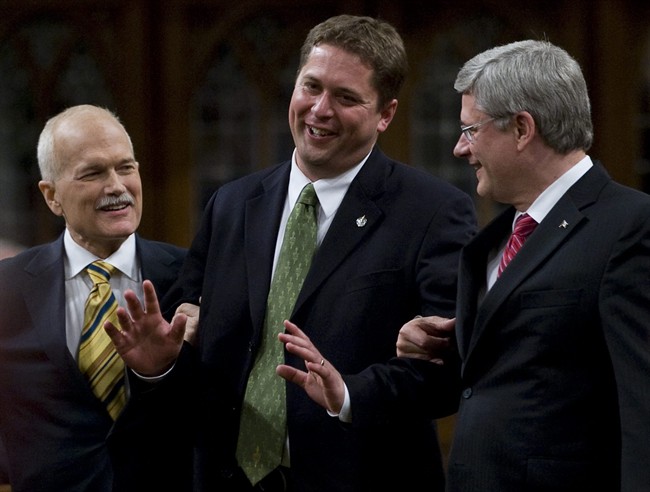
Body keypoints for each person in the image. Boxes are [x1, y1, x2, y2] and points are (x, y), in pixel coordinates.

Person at [107, 14, 477, 492]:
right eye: (311, 87)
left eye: (346, 98)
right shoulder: (233, 205)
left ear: (385, 114)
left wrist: (348, 394)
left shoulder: (434, 212)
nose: (320, 110)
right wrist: (159, 365)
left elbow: (449, 369)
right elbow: (192, 347)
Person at [396, 39, 650, 491]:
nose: (459, 148)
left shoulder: (631, 226)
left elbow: (643, 408)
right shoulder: (494, 239)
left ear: (521, 128)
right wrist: (448, 350)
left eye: (470, 130)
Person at [0, 105, 192, 492]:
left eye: (126, 167)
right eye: (93, 173)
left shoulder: (190, 278)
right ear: (52, 196)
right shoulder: (9, 289)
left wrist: (158, 373)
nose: (117, 186)